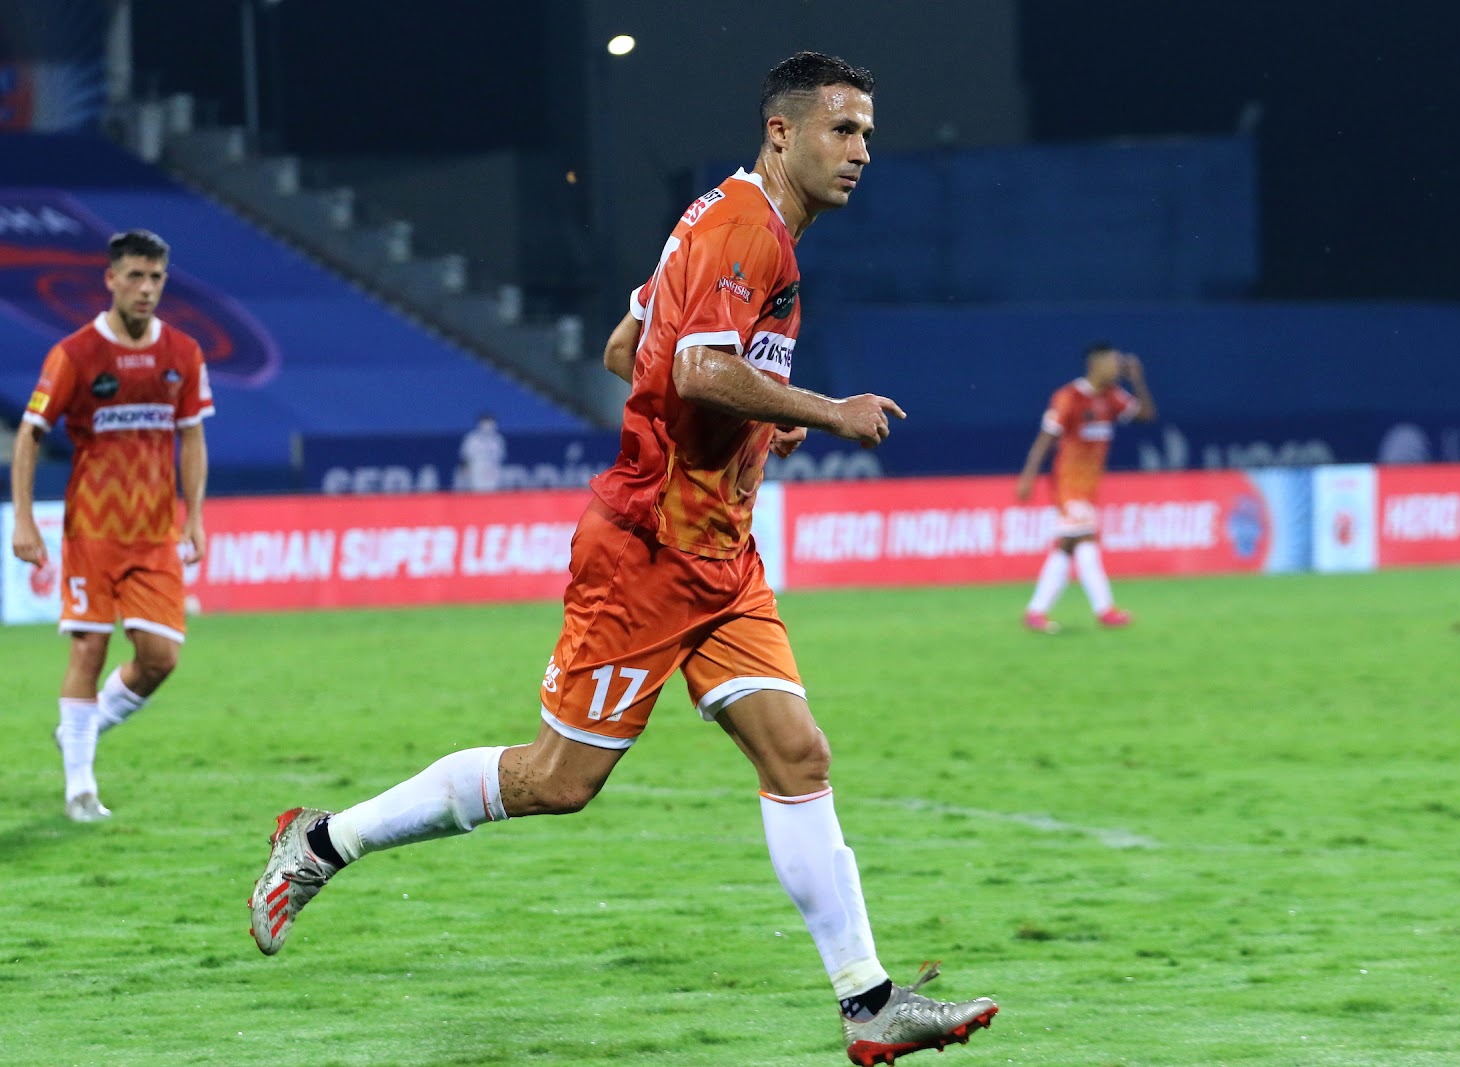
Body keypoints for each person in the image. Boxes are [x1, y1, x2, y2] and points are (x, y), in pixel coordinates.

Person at [248, 51, 997, 1066]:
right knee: (559, 779)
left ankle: (866, 1002)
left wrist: (745, 428)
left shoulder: (718, 218)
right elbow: (692, 363)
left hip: (719, 554)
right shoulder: (745, 234)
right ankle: (321, 840)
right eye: (842, 129)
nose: (861, 150)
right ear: (783, 131)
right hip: (649, 552)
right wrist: (825, 408)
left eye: (867, 131)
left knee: (798, 754)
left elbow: (627, 347)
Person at [10, 228, 213, 821]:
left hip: (153, 534)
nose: (146, 288)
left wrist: (194, 515)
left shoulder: (183, 353)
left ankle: (84, 727)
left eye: (155, 278)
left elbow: (193, 435)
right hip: (92, 532)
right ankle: (80, 789)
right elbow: (29, 433)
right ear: (111, 279)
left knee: (160, 658)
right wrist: (23, 519)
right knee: (89, 649)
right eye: (135, 276)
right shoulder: (75, 354)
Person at [1015, 342, 1156, 632]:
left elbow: (1146, 416)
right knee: (1087, 539)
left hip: (1089, 486)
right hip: (1068, 483)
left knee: (1066, 547)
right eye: (1113, 362)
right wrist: (1028, 477)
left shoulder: (1112, 397)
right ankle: (1105, 610)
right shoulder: (1070, 397)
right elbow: (1045, 439)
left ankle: (1035, 612)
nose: (1118, 367)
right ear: (1096, 364)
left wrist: (1137, 379)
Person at [455, 410, 505, 491]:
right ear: (480, 423)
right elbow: (466, 457)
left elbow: (500, 458)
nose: (488, 425)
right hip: (477, 469)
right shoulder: (472, 438)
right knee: (478, 492)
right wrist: (467, 472)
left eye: (490, 421)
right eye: (485, 422)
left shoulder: (498, 439)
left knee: (493, 492)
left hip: (492, 469)